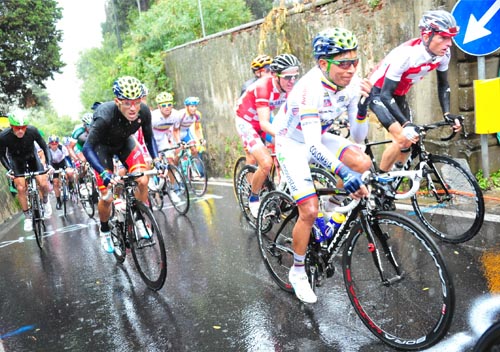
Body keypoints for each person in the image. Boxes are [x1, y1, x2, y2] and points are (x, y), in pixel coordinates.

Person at [273, 27, 372, 303]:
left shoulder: (353, 85)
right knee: (308, 210)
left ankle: (329, 216)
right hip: (293, 143)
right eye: (343, 63)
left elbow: (358, 136)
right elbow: (312, 146)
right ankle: (298, 270)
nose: (351, 69)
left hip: (317, 135)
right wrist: (343, 173)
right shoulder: (308, 88)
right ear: (322, 64)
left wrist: (363, 107)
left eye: (354, 61)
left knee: (362, 162)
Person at [369, 9, 462, 175]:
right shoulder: (407, 55)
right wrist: (405, 124)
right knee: (403, 138)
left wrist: (447, 113)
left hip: (396, 95)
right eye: (443, 37)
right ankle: (380, 186)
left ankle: (394, 178)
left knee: (411, 141)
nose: (449, 44)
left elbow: (443, 84)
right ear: (426, 37)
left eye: (450, 38)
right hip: (377, 93)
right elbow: (384, 94)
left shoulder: (443, 55)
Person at [82, 76, 163, 253]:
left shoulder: (144, 112)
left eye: (136, 102)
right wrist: (104, 173)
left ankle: (139, 217)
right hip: (102, 149)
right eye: (127, 103)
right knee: (107, 197)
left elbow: (149, 139)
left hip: (125, 143)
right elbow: (87, 148)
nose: (133, 108)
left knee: (142, 180)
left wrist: (157, 160)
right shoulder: (104, 116)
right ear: (117, 101)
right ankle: (104, 231)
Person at [235, 53, 301, 218]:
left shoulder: (291, 87)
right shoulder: (263, 87)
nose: (292, 81)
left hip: (264, 118)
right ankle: (254, 196)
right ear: (275, 75)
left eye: (295, 76)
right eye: (287, 77)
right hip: (247, 122)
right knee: (265, 162)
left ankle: (282, 187)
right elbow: (264, 124)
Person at [0, 112, 53, 231]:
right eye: (17, 128)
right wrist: (10, 169)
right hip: (16, 160)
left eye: (23, 127)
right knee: (20, 188)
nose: (20, 130)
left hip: (32, 157)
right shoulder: (4, 136)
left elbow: (44, 147)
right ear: (11, 126)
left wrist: (49, 164)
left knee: (43, 183)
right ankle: (28, 217)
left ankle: (45, 201)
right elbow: (1, 155)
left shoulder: (33, 131)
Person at [47, 135, 75, 210]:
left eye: (56, 143)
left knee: (69, 173)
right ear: (49, 144)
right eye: (52, 144)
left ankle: (70, 187)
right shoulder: (47, 149)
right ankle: (58, 201)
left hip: (63, 162)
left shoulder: (61, 147)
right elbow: (47, 161)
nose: (54, 145)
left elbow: (67, 158)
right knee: (55, 182)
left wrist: (70, 167)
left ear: (58, 143)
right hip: (53, 164)